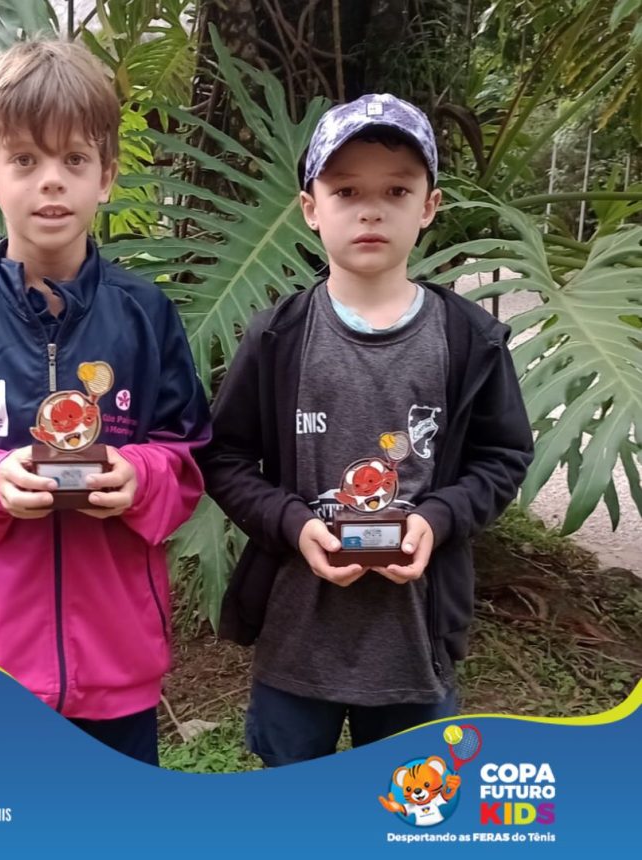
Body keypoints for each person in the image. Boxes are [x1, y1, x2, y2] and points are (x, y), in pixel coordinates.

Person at [0, 40, 210, 766]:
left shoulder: (146, 316)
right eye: (24, 159)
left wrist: (140, 476)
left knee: (119, 819)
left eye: (74, 159)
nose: (51, 180)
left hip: (118, 661)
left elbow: (188, 452)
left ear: (105, 176)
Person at [199, 94, 533, 766]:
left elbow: (503, 456)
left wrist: (438, 518)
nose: (371, 210)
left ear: (429, 206)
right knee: (295, 806)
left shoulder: (469, 340)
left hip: (415, 646)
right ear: (310, 208)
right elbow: (224, 456)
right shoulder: (277, 338)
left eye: (396, 191)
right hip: (297, 641)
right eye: (346, 190)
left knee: (411, 808)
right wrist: (295, 524)